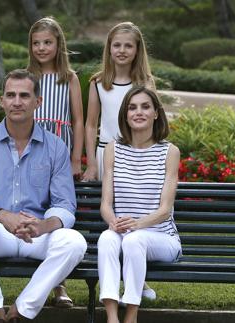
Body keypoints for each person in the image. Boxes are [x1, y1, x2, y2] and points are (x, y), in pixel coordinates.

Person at [0, 69, 87, 323]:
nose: (17, 102)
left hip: (36, 235)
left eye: (25, 95)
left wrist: (43, 225)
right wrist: (2, 216)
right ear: (2, 101)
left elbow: (64, 203)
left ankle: (22, 311)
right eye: (11, 95)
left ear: (38, 102)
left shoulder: (55, 146)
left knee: (74, 242)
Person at [81, 21, 158, 301]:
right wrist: (91, 163)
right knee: (108, 220)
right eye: (117, 45)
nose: (122, 50)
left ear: (137, 50)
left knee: (134, 215)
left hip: (138, 157)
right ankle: (107, 278)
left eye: (128, 45)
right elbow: (91, 125)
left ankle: (139, 279)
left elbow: (150, 122)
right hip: (107, 154)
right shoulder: (99, 83)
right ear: (109, 49)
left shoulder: (145, 84)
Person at [98, 86, 182, 323]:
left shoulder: (169, 152)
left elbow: (165, 210)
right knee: (106, 238)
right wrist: (113, 222)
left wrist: (136, 224)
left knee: (136, 239)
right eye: (132, 107)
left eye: (145, 107)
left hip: (161, 237)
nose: (138, 112)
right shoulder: (113, 150)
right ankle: (112, 317)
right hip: (123, 231)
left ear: (156, 113)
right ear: (125, 114)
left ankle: (131, 316)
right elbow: (106, 204)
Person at [26, 17, 85, 307]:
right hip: (30, 153)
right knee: (32, 211)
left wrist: (77, 159)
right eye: (36, 43)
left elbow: (78, 119)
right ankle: (39, 280)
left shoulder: (68, 78)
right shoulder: (27, 77)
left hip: (60, 154)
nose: (41, 47)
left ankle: (59, 286)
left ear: (58, 43)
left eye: (47, 42)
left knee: (57, 215)